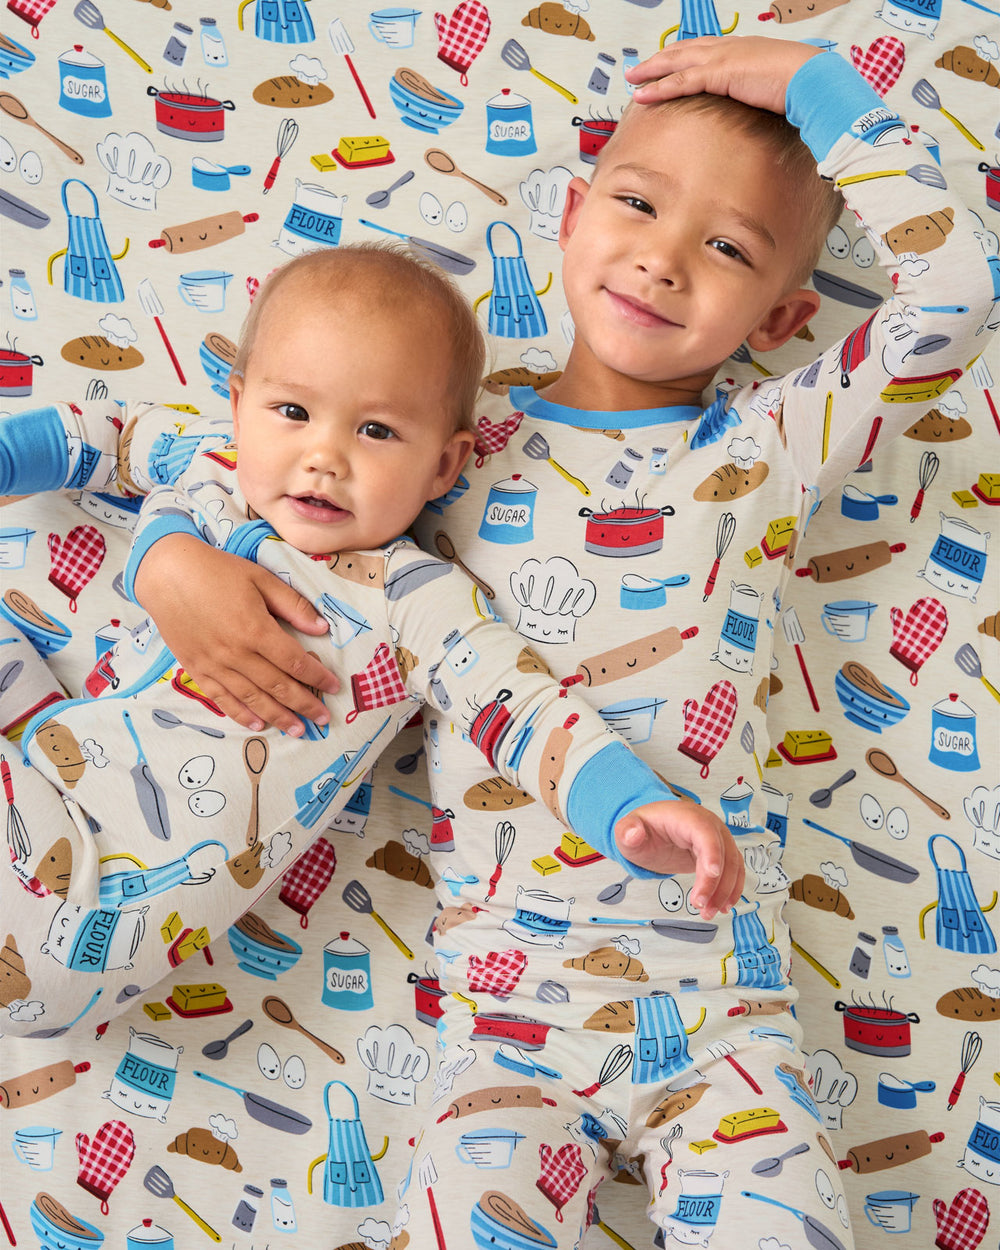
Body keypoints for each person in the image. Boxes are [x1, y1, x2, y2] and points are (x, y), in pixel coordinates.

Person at [11, 33, 994, 1249]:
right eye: (636, 204)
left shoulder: (763, 452)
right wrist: (166, 558)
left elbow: (954, 288)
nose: (662, 257)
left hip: (720, 1014)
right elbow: (205, 457)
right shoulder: (430, 443)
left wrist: (813, 90)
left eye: (726, 247)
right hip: (501, 1026)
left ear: (782, 313)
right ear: (574, 216)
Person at [0, 242, 743, 1037]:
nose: (324, 457)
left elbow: (524, 714)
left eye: (379, 431)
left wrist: (633, 807)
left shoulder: (408, 601)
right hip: (49, 786)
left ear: (445, 464)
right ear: (240, 402)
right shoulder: (217, 466)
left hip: (75, 916)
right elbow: (108, 437)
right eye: (292, 413)